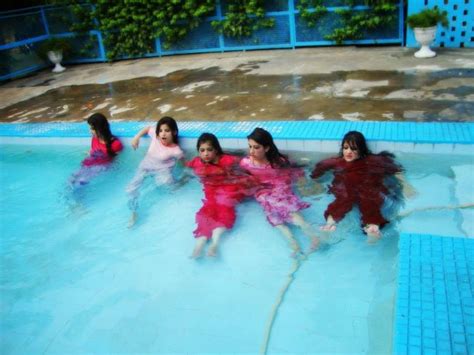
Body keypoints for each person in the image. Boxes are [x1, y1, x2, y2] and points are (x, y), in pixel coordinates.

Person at [310, 130, 404, 242]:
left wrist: (406, 186)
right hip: (347, 190)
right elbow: (318, 170)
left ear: (361, 149)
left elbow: (395, 169)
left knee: (368, 197)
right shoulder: (337, 162)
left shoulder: (373, 160)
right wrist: (314, 180)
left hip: (366, 189)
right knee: (345, 197)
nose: (348, 152)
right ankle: (330, 224)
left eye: (353, 149)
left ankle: (372, 226)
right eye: (345, 148)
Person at [240, 128, 320, 256]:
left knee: (285, 207)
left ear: (266, 148)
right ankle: (293, 243)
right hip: (263, 189)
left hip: (279, 185)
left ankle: (313, 236)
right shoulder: (245, 163)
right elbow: (244, 179)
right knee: (270, 210)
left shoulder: (278, 162)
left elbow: (288, 175)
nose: (251, 151)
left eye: (256, 147)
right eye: (250, 146)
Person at [186, 133, 253, 258]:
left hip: (228, 187)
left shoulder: (227, 160)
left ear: (216, 150)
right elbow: (185, 168)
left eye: (209, 150)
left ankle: (215, 243)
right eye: (202, 150)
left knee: (224, 206)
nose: (206, 153)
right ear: (198, 152)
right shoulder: (196, 162)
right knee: (207, 211)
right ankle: (199, 244)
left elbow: (247, 163)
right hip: (211, 190)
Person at [126, 116, 184, 227]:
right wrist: (136, 137)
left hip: (161, 171)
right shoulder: (156, 138)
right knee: (130, 189)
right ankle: (134, 212)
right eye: (161, 131)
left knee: (169, 186)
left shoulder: (175, 150)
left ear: (174, 132)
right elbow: (148, 128)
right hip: (145, 167)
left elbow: (183, 163)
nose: (163, 134)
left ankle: (180, 185)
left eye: (167, 131)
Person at [69, 113, 123, 188]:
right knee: (71, 179)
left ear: (100, 128)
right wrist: (90, 153)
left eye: (92, 129)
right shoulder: (94, 138)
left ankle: (79, 199)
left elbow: (117, 159)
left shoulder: (115, 144)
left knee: (81, 182)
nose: (89, 131)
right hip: (89, 163)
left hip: (100, 166)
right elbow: (94, 150)